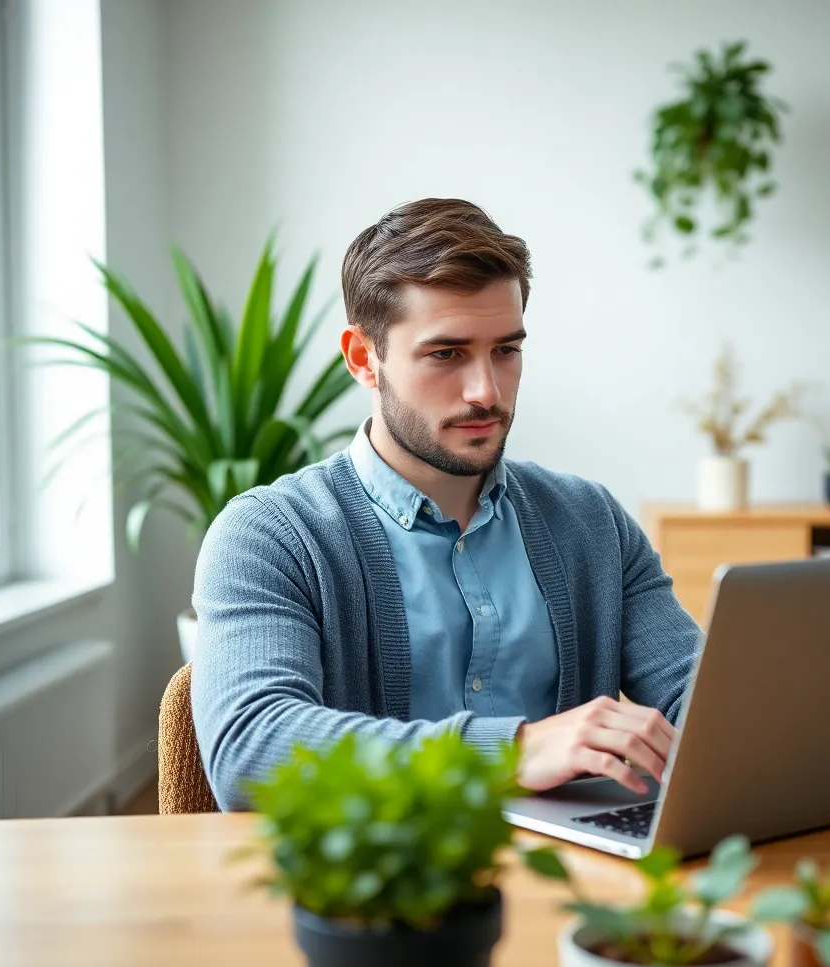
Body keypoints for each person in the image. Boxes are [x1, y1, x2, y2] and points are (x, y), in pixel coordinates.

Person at [191, 198, 703, 810]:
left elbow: (700, 695)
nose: (485, 390)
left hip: (579, 879)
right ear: (363, 359)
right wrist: (512, 751)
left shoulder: (591, 522)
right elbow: (251, 749)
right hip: (376, 887)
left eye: (506, 350)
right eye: (446, 354)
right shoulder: (271, 535)